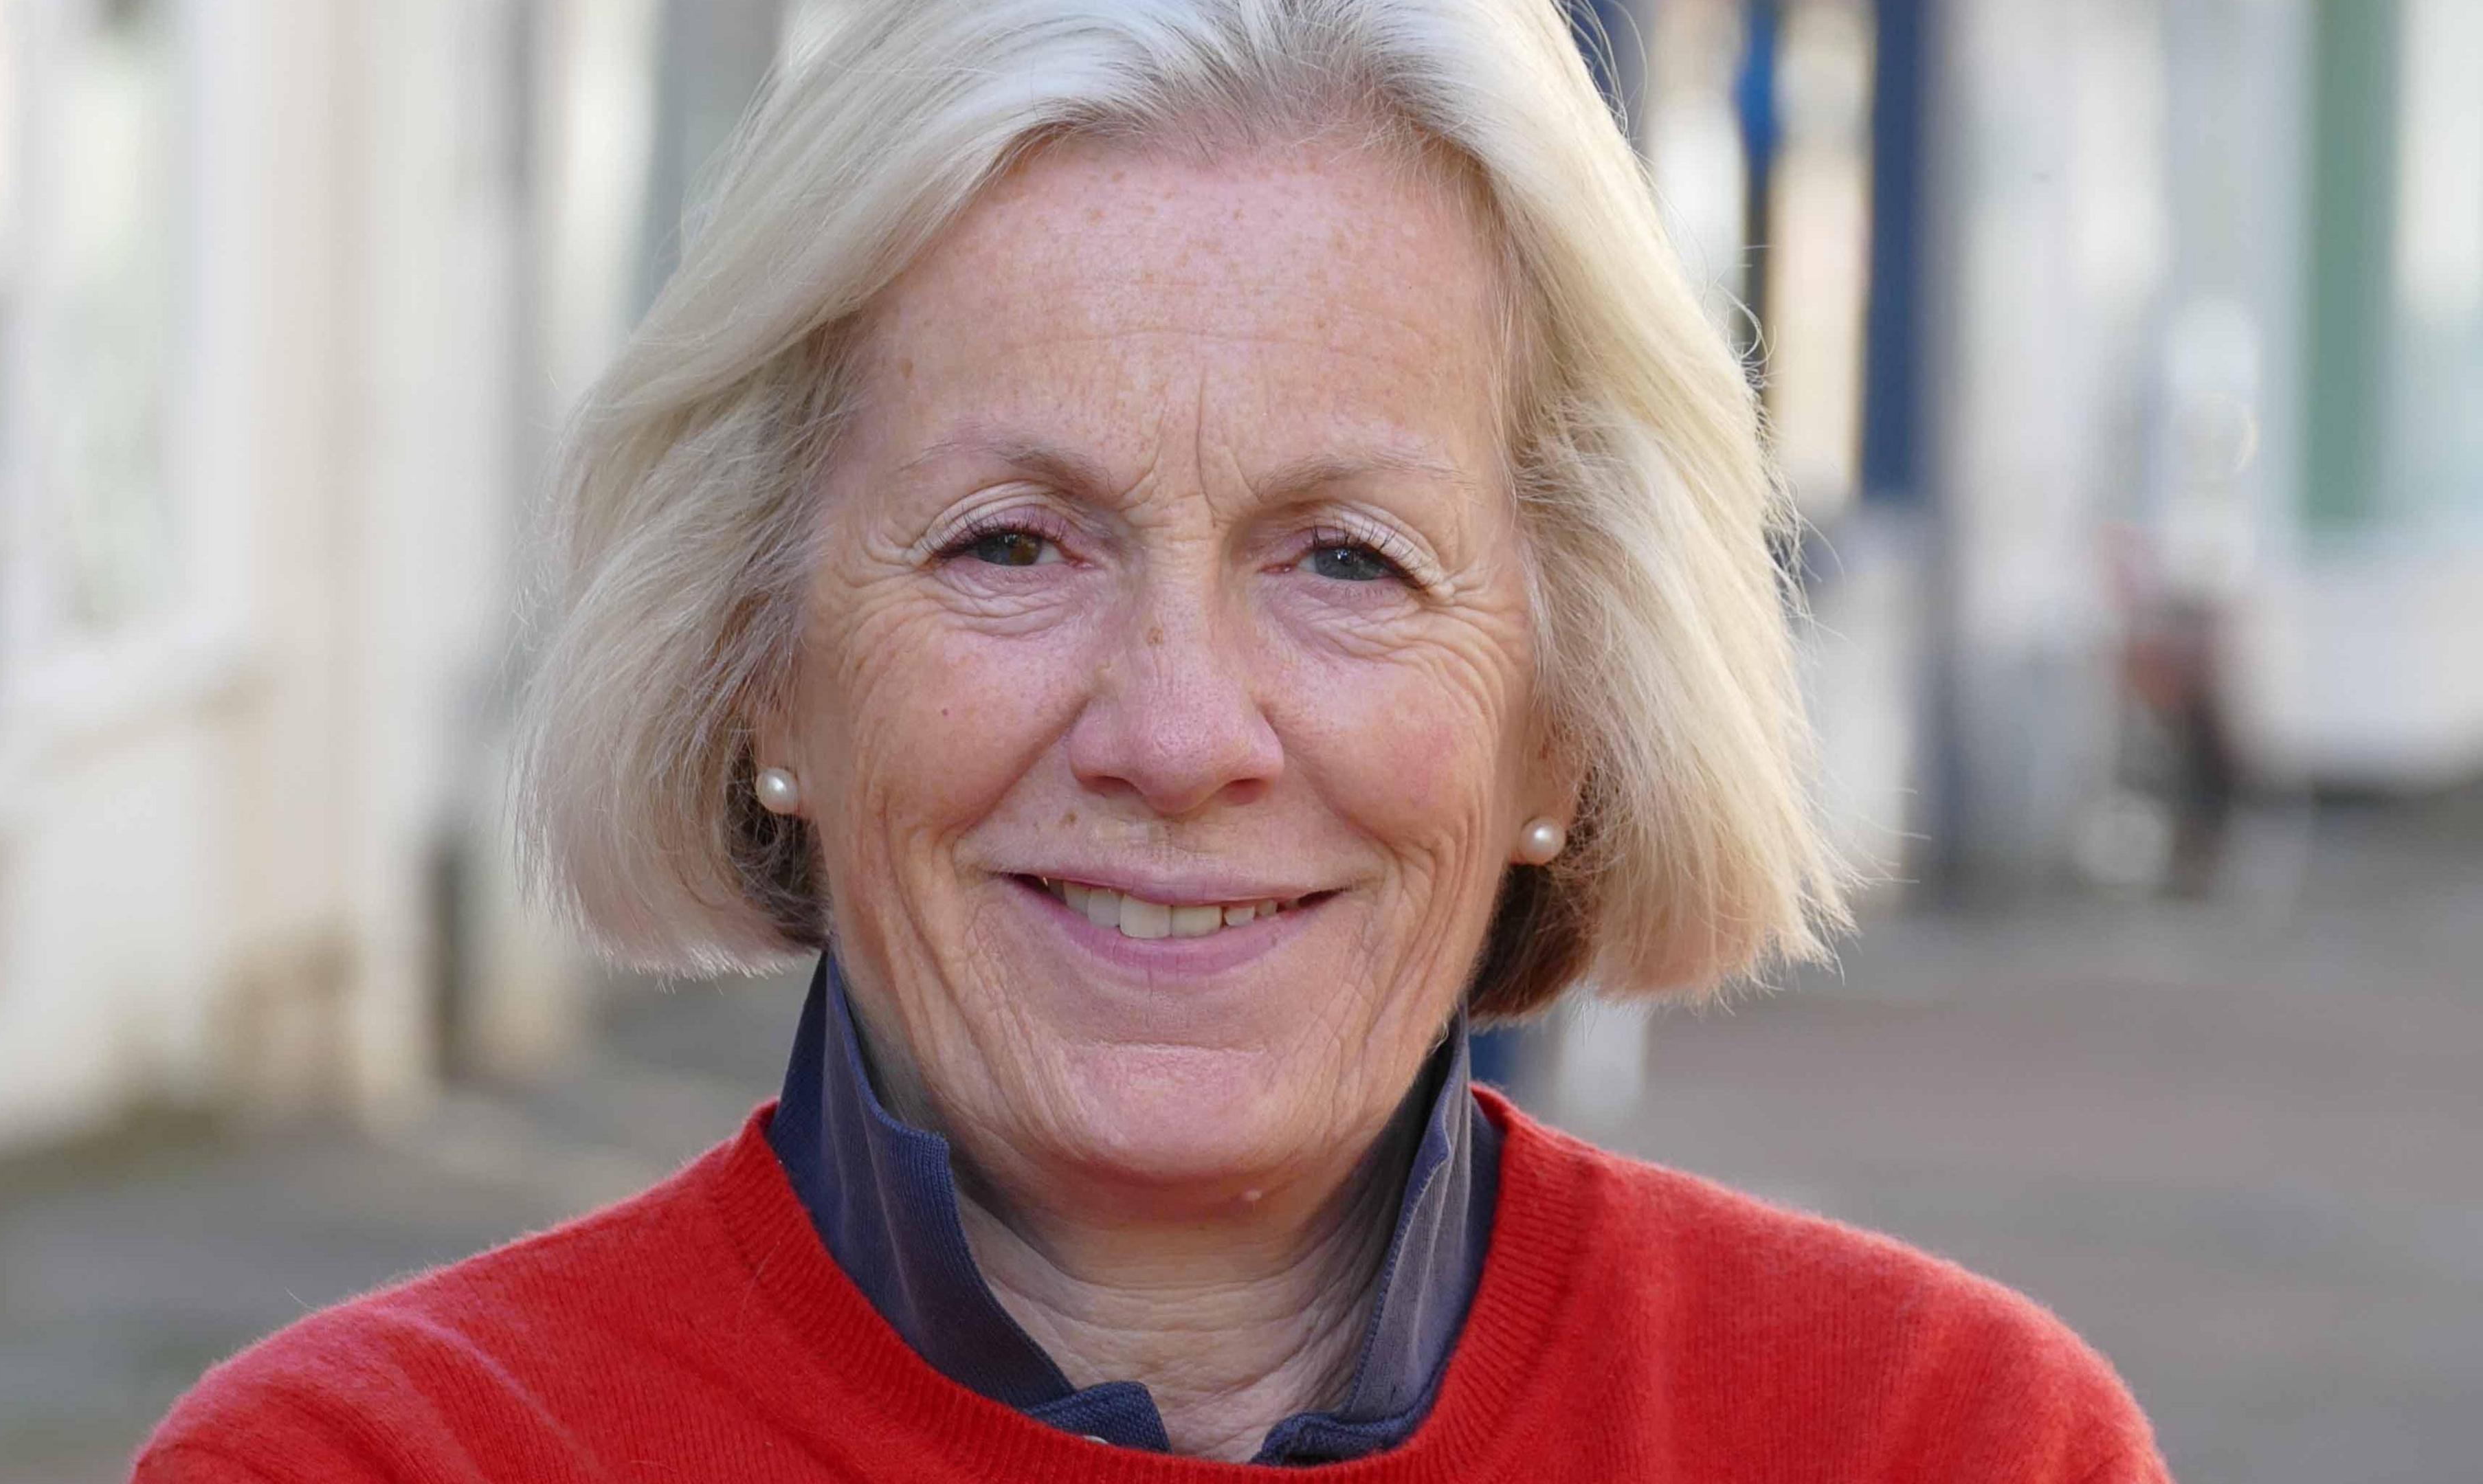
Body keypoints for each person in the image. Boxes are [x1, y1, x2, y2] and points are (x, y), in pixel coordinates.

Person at [135, 1, 2168, 1478]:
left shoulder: (1940, 1441)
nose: (1181, 731)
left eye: (1351, 562)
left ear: (1569, 716)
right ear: (761, 668)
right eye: (1010, 543)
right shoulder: (384, 1461)